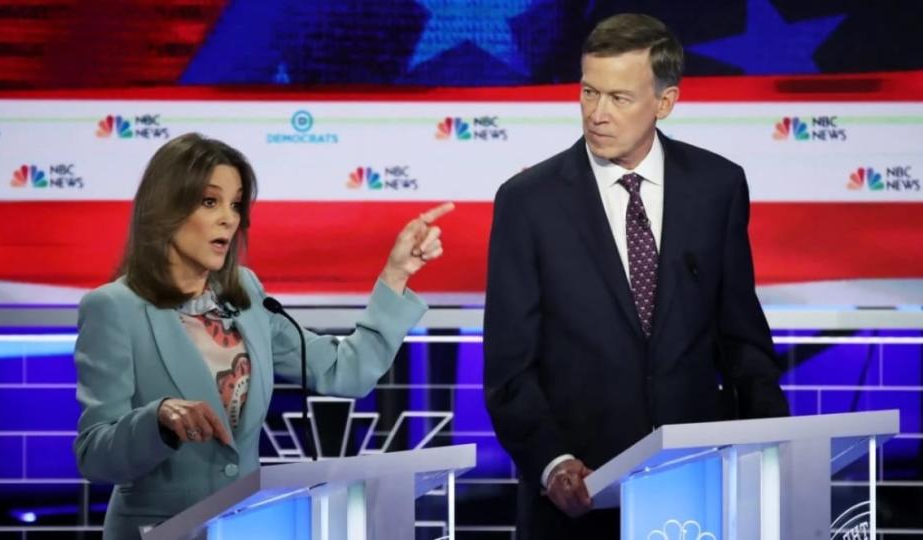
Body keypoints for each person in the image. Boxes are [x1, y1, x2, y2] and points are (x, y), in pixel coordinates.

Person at [483, 13, 789, 539]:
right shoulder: (528, 203)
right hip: (578, 504)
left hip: (698, 497)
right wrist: (552, 462)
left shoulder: (717, 187)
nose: (597, 114)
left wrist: (775, 453)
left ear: (664, 103)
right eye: (588, 93)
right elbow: (509, 371)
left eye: (619, 98)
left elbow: (743, 342)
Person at [73, 133, 454, 540]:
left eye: (236, 204)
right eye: (209, 201)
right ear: (165, 208)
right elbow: (95, 457)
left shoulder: (246, 295)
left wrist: (395, 275)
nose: (229, 218)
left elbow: (347, 372)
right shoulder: (113, 307)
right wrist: (158, 418)